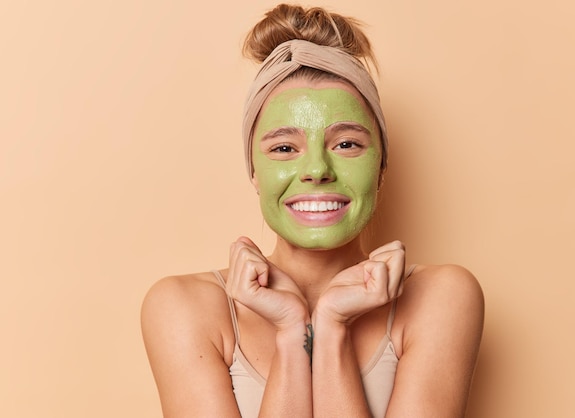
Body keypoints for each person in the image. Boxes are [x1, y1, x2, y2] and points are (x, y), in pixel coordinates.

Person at [141, 3, 484, 417]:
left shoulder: (440, 297)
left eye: (347, 144)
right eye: (284, 148)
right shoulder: (184, 307)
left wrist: (331, 329)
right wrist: (291, 333)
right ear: (254, 171)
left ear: (381, 166)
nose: (318, 170)